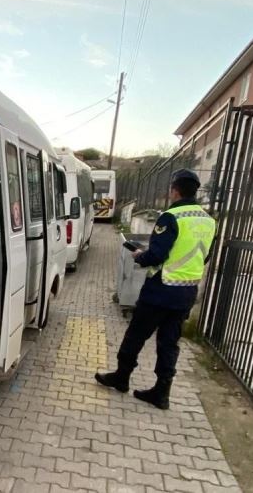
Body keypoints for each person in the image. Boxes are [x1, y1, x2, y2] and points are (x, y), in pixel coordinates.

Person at [95, 169, 216, 410]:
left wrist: (141, 256)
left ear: (175, 190)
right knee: (169, 343)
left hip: (161, 291)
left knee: (136, 335)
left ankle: (121, 377)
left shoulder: (171, 217)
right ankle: (162, 393)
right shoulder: (209, 220)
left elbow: (157, 254)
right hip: (186, 293)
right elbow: (205, 256)